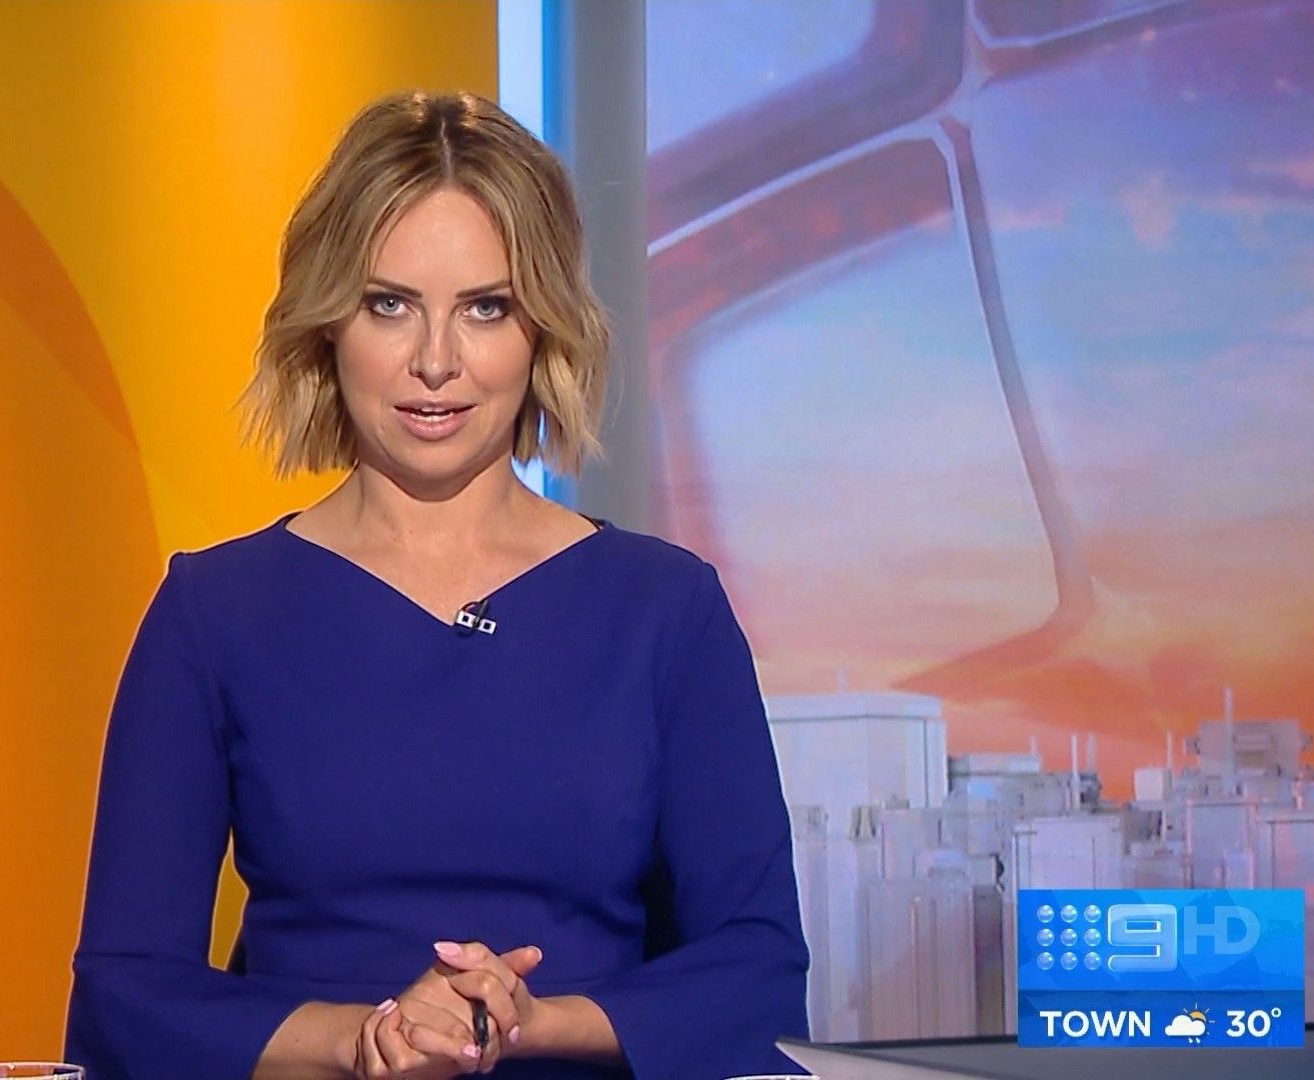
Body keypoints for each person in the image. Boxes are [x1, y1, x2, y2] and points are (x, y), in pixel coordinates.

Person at [63, 90, 808, 1080]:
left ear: (543, 329)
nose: (435, 363)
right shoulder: (214, 614)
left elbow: (757, 973)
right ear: (327, 322)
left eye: (485, 308)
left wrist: (530, 1023)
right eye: (390, 305)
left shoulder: (666, 612)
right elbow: (125, 993)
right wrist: (362, 1039)